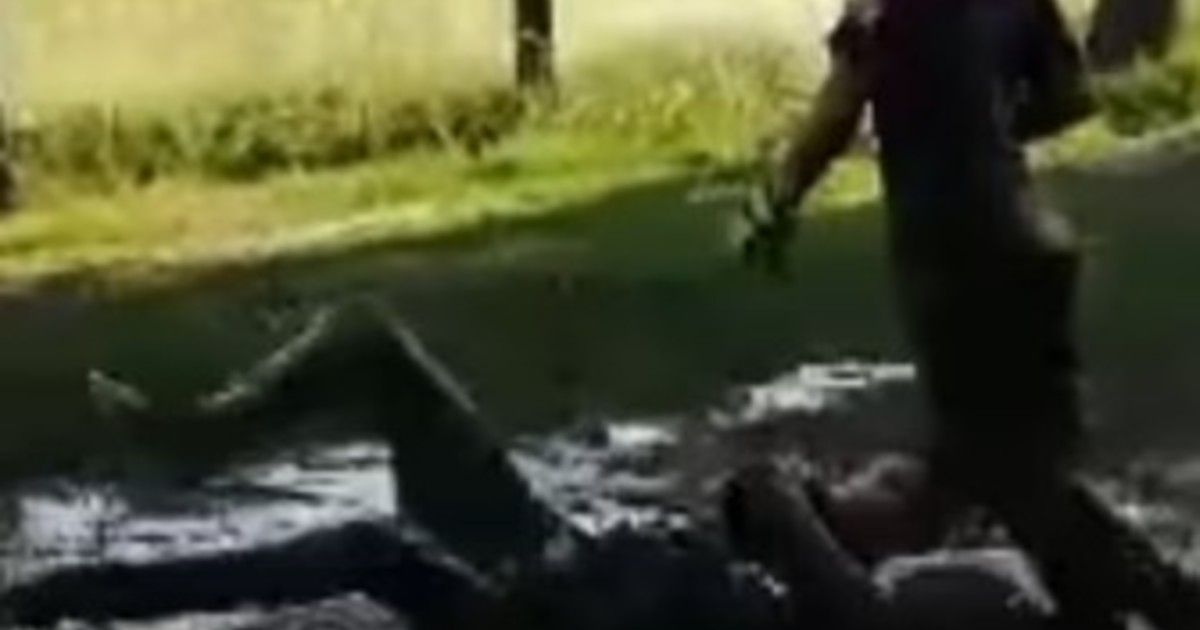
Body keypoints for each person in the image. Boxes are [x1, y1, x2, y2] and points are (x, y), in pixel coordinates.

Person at [4, 302, 1057, 630]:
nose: (861, 477)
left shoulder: (835, 603)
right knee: (371, 376)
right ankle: (155, 494)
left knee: (365, 525)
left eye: (888, 486)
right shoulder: (790, 574)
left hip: (544, 588)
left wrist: (780, 502)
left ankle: (72, 587)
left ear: (912, 539)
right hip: (549, 562)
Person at [740, 0, 1200, 627]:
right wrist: (983, 122)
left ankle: (1169, 600)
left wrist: (779, 198)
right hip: (1031, 247)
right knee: (1003, 471)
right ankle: (1125, 602)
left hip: (955, 256)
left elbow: (845, 98)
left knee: (1010, 480)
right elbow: (1069, 99)